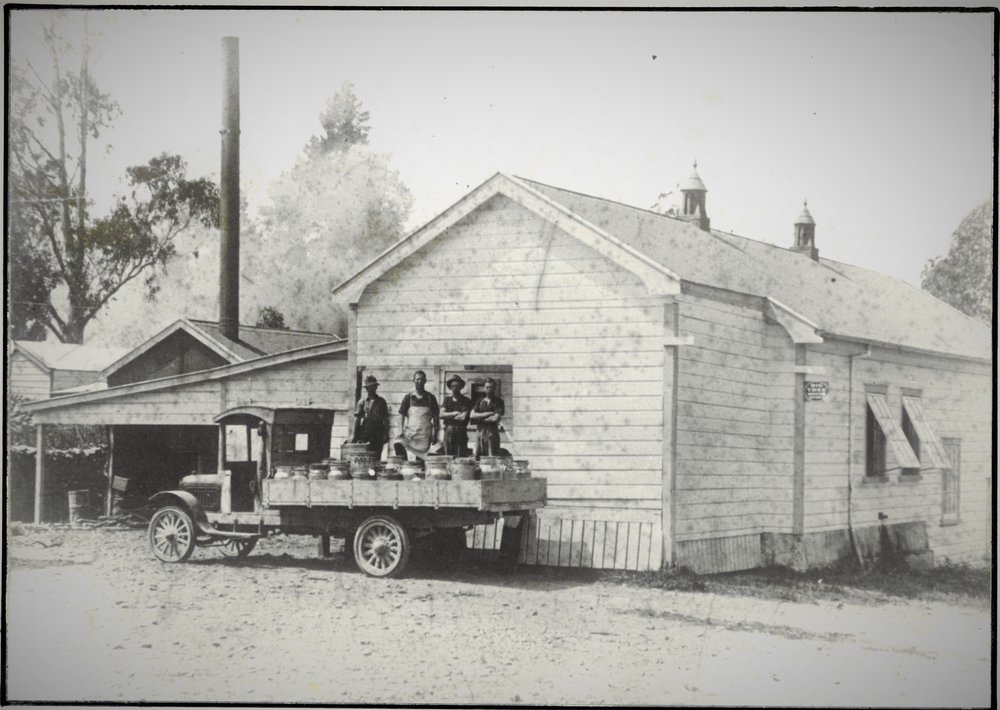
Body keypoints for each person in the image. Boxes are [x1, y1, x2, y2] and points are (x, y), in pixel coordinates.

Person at [395, 370, 440, 460]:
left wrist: (435, 434)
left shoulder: (430, 398)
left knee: (420, 461)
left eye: (421, 379)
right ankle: (405, 466)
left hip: (424, 435)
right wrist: (400, 430)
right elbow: (401, 415)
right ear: (414, 381)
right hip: (410, 434)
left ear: (425, 381)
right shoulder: (408, 397)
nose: (419, 381)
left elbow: (436, 416)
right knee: (397, 443)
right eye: (417, 379)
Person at [352, 374, 389, 459]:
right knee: (364, 457)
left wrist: (386, 434)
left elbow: (386, 419)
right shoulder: (362, 402)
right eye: (369, 387)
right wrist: (354, 436)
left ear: (376, 387)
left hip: (378, 432)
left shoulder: (381, 402)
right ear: (366, 388)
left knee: (376, 457)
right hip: (365, 432)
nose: (371, 389)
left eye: (373, 386)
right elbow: (357, 420)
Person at [470, 377, 505, 459]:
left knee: (491, 457)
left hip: (492, 432)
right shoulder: (479, 401)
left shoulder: (499, 402)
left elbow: (496, 418)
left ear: (495, 389)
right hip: (479, 432)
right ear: (484, 388)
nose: (489, 389)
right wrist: (488, 413)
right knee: (478, 456)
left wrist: (479, 419)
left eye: (491, 387)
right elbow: (472, 415)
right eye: (487, 387)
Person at [440, 374, 472, 457]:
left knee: (460, 457)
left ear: (461, 387)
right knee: (448, 456)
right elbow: (441, 414)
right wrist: (455, 413)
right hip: (448, 430)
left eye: (457, 386)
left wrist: (448, 415)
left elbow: (463, 417)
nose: (455, 388)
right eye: (453, 386)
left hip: (460, 432)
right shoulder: (447, 400)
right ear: (450, 387)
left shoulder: (465, 401)